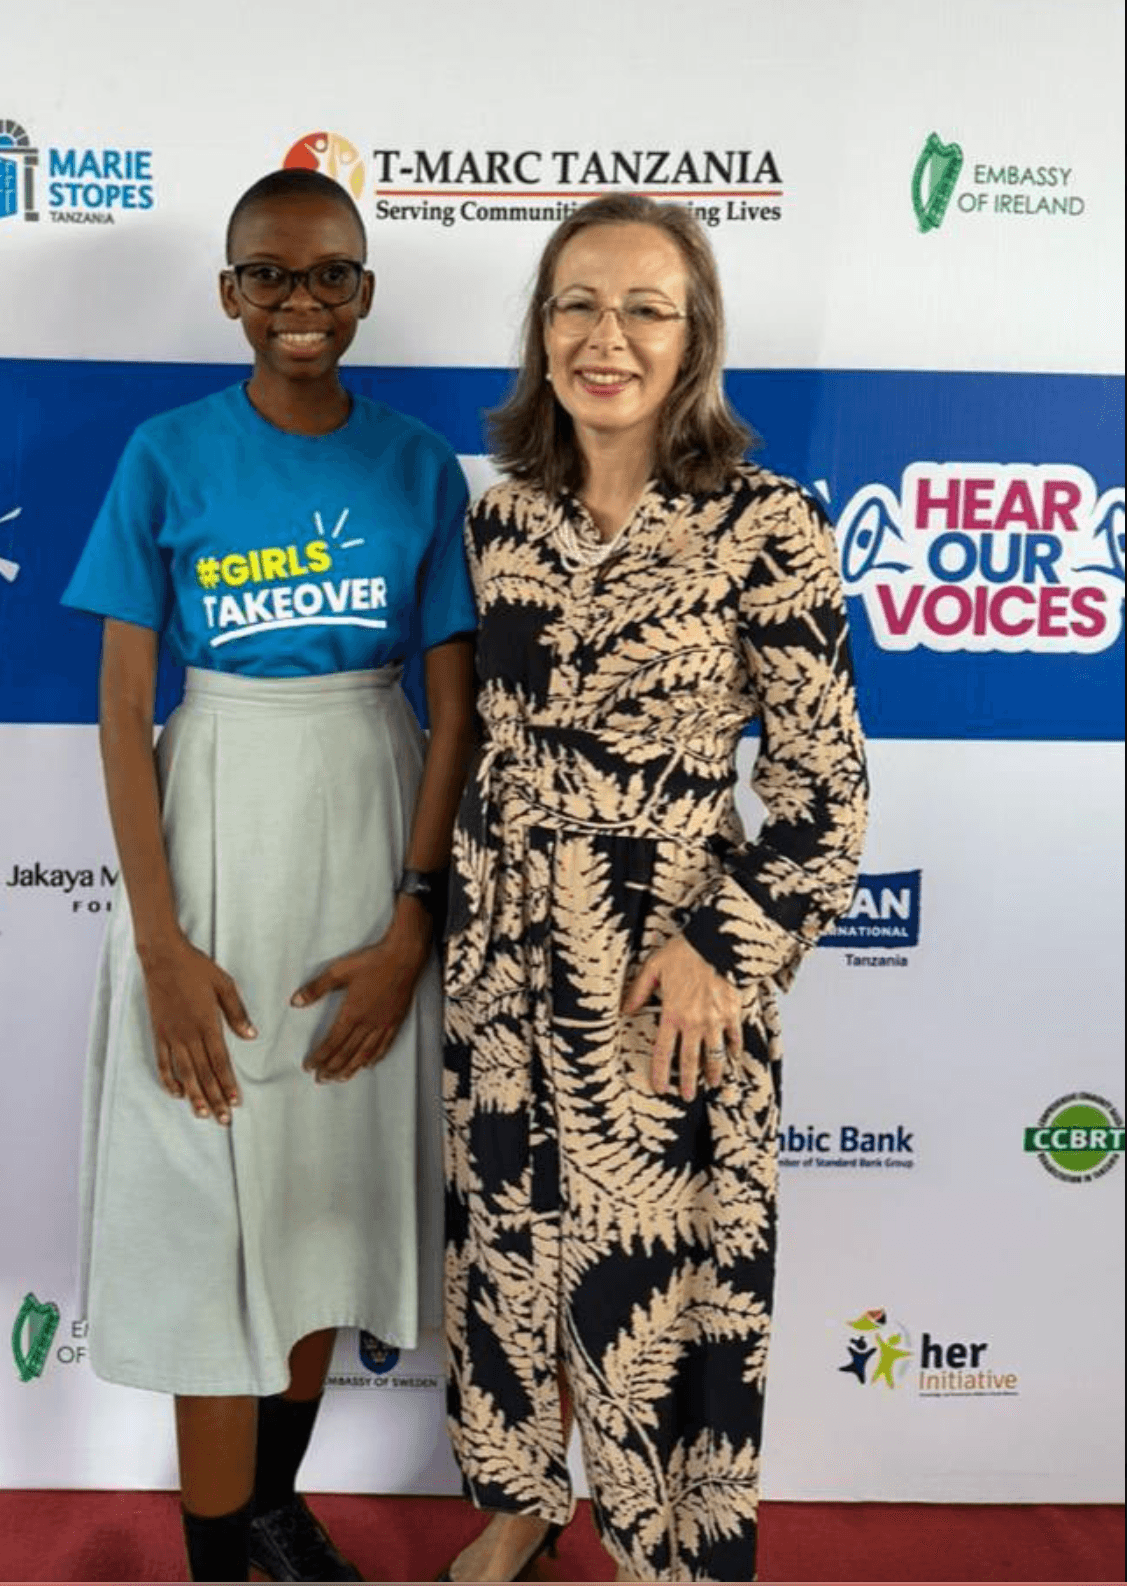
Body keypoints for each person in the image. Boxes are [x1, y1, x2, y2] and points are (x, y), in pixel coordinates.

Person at [439, 193, 868, 1583]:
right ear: (541, 328)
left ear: (695, 339)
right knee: (505, 1256)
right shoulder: (502, 520)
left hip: (661, 970)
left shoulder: (769, 526)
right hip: (505, 959)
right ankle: (518, 1495)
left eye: (644, 306)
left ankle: (659, 1546)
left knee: (661, 1287)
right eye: (576, 302)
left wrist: (723, 951)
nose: (604, 335)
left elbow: (825, 793)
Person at [61, 168, 475, 1582]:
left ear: (366, 291)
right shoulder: (165, 456)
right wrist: (164, 949)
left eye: (330, 276)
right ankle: (217, 1549)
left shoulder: (420, 465)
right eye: (270, 276)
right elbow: (123, 709)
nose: (301, 303)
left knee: (319, 1197)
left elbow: (457, 707)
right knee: (206, 1206)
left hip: (366, 834)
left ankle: (272, 1512)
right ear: (230, 290)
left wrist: (412, 924)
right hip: (216, 833)